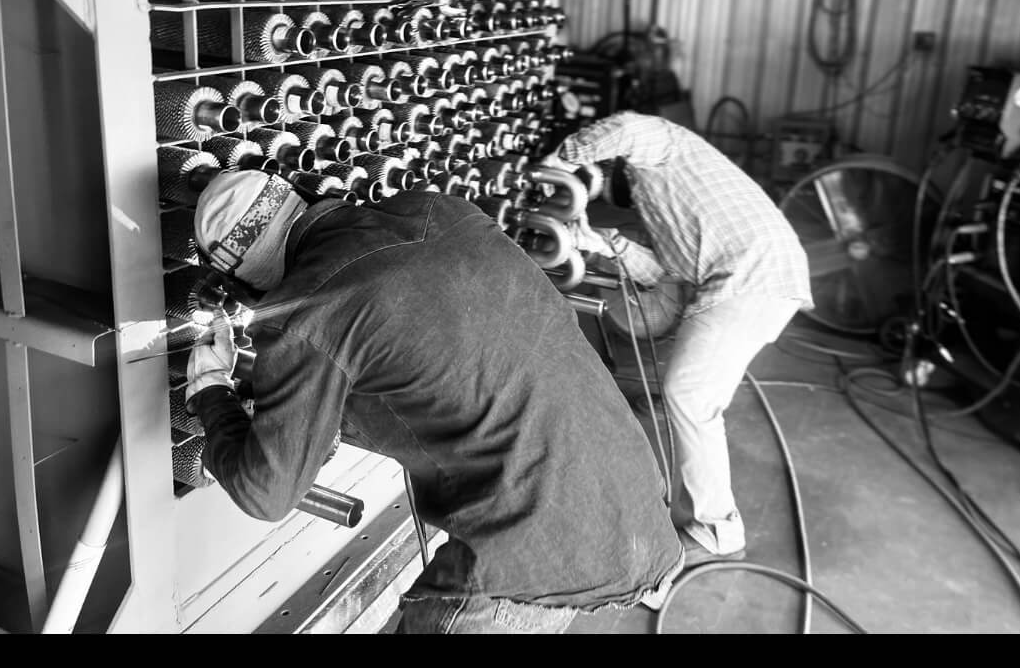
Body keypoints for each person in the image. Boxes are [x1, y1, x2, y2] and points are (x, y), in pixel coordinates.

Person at [184, 169, 684, 634]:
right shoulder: (441, 210)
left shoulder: (306, 310)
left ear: (242, 271)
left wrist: (211, 392)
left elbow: (265, 492)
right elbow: (435, 359)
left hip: (528, 555)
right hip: (632, 495)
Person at [544, 111, 813, 568]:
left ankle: (718, 529)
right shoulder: (659, 210)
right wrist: (599, 245)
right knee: (691, 395)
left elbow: (627, 126)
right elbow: (662, 286)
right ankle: (712, 522)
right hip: (743, 279)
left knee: (691, 394)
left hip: (753, 276)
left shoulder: (665, 146)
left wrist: (559, 161)